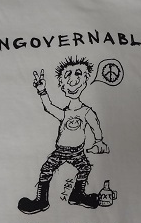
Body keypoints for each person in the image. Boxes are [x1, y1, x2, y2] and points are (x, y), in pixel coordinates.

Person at [18, 56, 109, 214]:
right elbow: (48, 107)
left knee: (85, 168)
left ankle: (77, 195)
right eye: (68, 76)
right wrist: (42, 91)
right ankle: (41, 200)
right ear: (61, 84)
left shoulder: (86, 111)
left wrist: (99, 141)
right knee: (47, 169)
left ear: (85, 80)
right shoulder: (65, 113)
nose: (73, 80)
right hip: (60, 151)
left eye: (78, 74)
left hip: (77, 151)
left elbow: (95, 125)